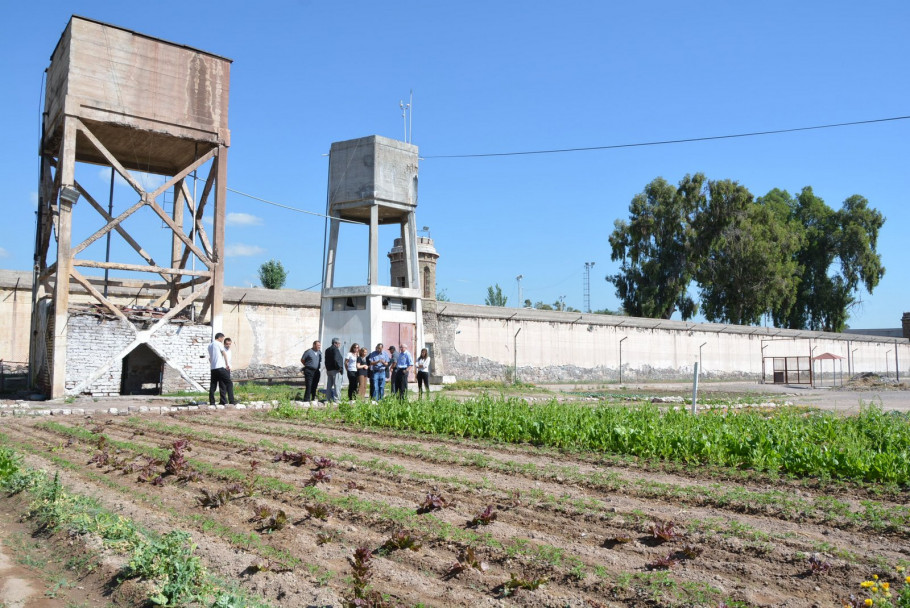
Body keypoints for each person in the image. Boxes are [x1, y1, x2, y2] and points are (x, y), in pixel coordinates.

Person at [208, 332, 235, 405]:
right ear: (219, 338)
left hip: (213, 368)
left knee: (213, 386)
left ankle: (212, 402)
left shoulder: (210, 345)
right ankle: (232, 401)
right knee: (229, 383)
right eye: (222, 338)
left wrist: (212, 365)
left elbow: (210, 358)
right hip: (220, 367)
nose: (222, 340)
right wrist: (227, 364)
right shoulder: (219, 344)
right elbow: (224, 354)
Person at [324, 337, 344, 403]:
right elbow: (336, 359)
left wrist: (327, 368)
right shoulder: (335, 349)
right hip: (335, 370)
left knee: (329, 385)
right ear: (335, 343)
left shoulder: (327, 350)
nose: (339, 345)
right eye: (339, 343)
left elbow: (326, 360)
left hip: (329, 370)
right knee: (337, 384)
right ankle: (337, 399)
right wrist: (339, 368)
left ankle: (328, 398)